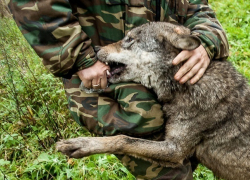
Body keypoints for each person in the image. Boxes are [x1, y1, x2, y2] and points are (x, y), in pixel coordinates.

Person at [8, 0, 229, 179]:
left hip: (173, 83)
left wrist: (204, 42)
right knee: (170, 171)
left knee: (196, 154)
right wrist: (82, 59)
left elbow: (199, 10)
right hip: (108, 79)